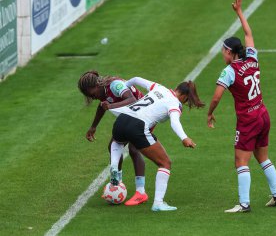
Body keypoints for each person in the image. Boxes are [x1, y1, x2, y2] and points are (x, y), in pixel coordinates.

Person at [207, 0, 276, 213]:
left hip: (248, 120)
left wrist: (210, 113)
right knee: (263, 157)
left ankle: (244, 203)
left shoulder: (229, 71)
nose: (222, 54)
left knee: (241, 161)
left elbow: (216, 96)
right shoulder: (252, 58)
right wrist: (239, 12)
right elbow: (249, 34)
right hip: (262, 113)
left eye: (223, 51)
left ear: (229, 52)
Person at [109, 77, 204, 211]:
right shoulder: (175, 103)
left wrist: (125, 85)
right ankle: (158, 203)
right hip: (138, 126)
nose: (185, 102)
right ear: (183, 95)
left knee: (117, 142)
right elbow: (174, 122)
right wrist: (184, 138)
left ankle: (114, 164)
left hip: (122, 118)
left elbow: (136, 79)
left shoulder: (158, 87)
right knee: (165, 163)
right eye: (187, 99)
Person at [78, 70, 148, 206]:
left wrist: (110, 106)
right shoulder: (101, 91)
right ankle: (117, 182)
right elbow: (101, 106)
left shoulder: (115, 85)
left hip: (145, 115)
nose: (93, 97)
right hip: (131, 117)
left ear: (96, 86)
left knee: (134, 149)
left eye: (92, 94)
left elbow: (132, 100)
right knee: (113, 145)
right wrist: (93, 127)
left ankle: (141, 192)